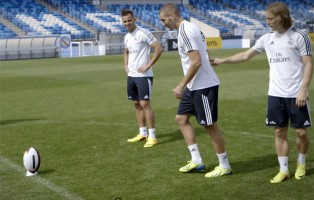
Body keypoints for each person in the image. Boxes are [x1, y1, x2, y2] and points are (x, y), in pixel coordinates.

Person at [211, 2, 313, 183]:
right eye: (266, 18)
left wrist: (303, 89)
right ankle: (283, 170)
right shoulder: (266, 38)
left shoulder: (299, 36)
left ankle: (301, 163)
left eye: (270, 18)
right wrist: (222, 60)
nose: (266, 22)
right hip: (275, 94)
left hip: (296, 93)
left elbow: (309, 64)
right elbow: (245, 55)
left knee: (301, 133)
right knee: (278, 132)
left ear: (282, 17)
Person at [159, 3, 232, 178]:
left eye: (163, 20)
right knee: (181, 118)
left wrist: (180, 85)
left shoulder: (185, 30)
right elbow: (201, 55)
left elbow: (196, 61)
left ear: (172, 15)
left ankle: (224, 165)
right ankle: (197, 160)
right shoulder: (190, 28)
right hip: (194, 86)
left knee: (209, 125)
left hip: (203, 86)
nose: (162, 23)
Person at [121, 9, 163, 148]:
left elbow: (158, 48)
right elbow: (126, 51)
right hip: (131, 76)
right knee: (136, 105)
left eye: (129, 20)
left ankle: (152, 136)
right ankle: (142, 133)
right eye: (124, 21)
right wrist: (126, 66)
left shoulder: (143, 33)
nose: (127, 23)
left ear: (134, 20)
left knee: (145, 104)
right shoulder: (127, 36)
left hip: (144, 76)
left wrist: (148, 64)